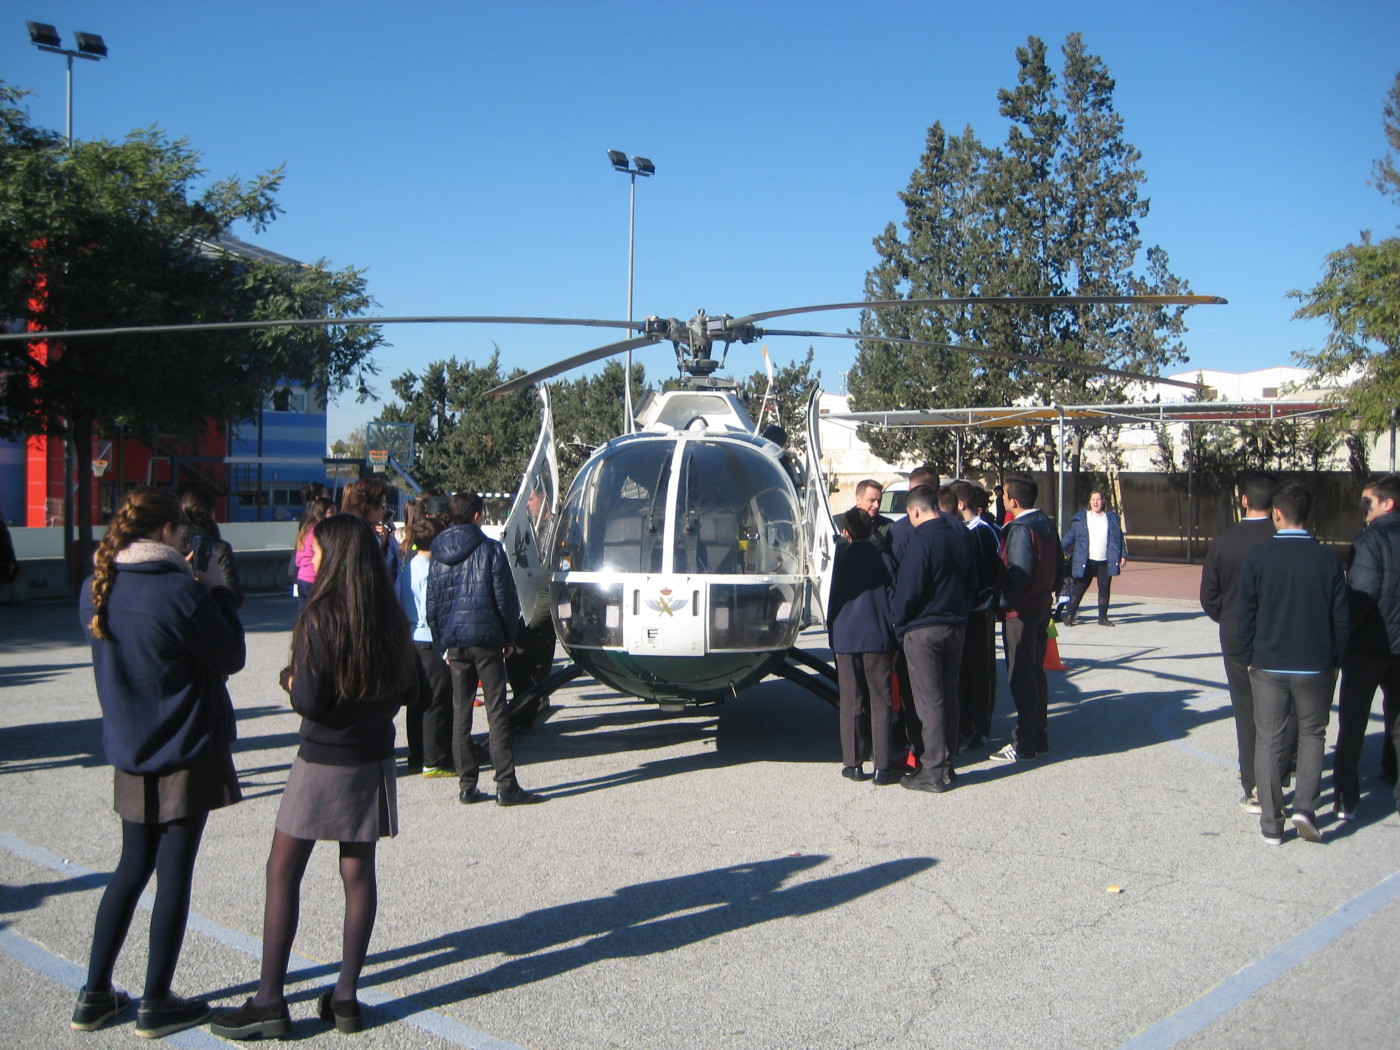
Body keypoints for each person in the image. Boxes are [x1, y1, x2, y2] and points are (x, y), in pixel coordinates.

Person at [211, 514, 421, 1039]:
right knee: (358, 874)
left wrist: (288, 678)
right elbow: (412, 690)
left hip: (323, 758)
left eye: (317, 549)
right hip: (372, 757)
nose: (313, 556)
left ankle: (269, 1000)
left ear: (335, 555)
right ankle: (346, 997)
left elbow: (308, 699)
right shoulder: (390, 616)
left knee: (283, 870)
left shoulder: (319, 616)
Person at [72, 487, 245, 1038]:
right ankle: (156, 998)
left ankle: (94, 992)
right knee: (173, 872)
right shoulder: (180, 593)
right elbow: (231, 655)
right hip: (185, 746)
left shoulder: (95, 589)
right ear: (169, 532)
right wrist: (214, 593)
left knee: (130, 867)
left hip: (130, 744)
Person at [1237, 479, 1348, 845]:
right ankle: (1305, 806)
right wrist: (1337, 660)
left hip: (1268, 662)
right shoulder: (1328, 559)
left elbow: (1246, 613)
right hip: (1315, 663)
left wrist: (1248, 655)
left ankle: (1271, 821)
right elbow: (1341, 618)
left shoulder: (1258, 557)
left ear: (1277, 514)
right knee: (1313, 734)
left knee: (1269, 739)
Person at [428, 492, 543, 806]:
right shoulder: (490, 549)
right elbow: (504, 597)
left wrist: (442, 642)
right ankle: (506, 784)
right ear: (477, 516)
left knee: (460, 712)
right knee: (496, 711)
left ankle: (467, 784)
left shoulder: (437, 552)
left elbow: (434, 603)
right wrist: (509, 636)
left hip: (455, 640)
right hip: (486, 637)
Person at [1200, 472, 1290, 813]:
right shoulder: (1284, 537)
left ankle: (1253, 784)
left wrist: (1227, 617)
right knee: (1283, 706)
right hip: (1280, 634)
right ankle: (1282, 771)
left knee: (1246, 709)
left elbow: (1209, 596)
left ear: (1243, 500)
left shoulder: (1224, 540)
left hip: (1237, 635)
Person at [891, 485, 972, 792]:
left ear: (914, 510)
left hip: (924, 629)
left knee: (929, 702)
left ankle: (932, 770)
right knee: (949, 697)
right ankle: (947, 764)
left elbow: (908, 590)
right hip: (955, 624)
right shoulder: (959, 534)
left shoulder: (921, 539)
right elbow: (971, 581)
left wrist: (899, 623)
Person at [1333, 472, 1400, 820]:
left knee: (1353, 722)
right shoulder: (1372, 537)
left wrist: (1342, 638)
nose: (1363, 508)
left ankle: (1346, 795)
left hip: (1369, 645)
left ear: (1387, 503)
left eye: (1367, 502)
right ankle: (1392, 774)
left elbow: (1359, 596)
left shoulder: (1370, 540)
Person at [992, 474, 1065, 764]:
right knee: (1035, 674)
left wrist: (1000, 603)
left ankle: (1024, 742)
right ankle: (1039, 735)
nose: (1002, 499)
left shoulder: (1021, 529)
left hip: (1020, 612)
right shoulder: (1046, 524)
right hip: (1040, 607)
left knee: (1022, 677)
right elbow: (1059, 566)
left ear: (1013, 500)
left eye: (1004, 495)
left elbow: (1018, 573)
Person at [827, 507, 900, 785]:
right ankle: (882, 765)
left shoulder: (839, 560)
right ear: (872, 531)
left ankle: (853, 763)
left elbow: (832, 599)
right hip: (878, 634)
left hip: (846, 635)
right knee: (881, 701)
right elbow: (895, 596)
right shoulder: (883, 558)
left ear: (846, 532)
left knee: (850, 701)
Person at [397, 515, 455, 777]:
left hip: (411, 638)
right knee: (436, 700)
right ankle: (435, 758)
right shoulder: (433, 570)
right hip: (429, 638)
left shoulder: (409, 566)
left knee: (417, 701)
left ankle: (417, 754)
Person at [950, 480, 1001, 751]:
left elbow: (991, 572)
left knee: (980, 670)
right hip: (961, 613)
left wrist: (981, 598)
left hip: (979, 613)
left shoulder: (983, 531)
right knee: (961, 673)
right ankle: (964, 723)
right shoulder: (959, 529)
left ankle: (981, 726)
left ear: (961, 504)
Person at [1059, 490, 1127, 626]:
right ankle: (1069, 615)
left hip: (1105, 560)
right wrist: (1056, 549)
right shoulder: (1081, 518)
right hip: (1086, 560)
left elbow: (1119, 537)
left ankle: (1102, 618)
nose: (1096, 502)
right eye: (1093, 499)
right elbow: (1069, 537)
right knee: (1079, 588)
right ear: (1089, 502)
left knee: (1104, 587)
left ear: (1103, 501)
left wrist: (1123, 555)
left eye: (1099, 499)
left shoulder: (1111, 518)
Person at [176, 486, 243, 609]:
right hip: (211, 618)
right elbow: (234, 598)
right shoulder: (220, 548)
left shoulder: (170, 548)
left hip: (178, 619)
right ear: (210, 513)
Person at [341, 478, 401, 580]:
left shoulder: (363, 527)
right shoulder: (356, 532)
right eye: (382, 505)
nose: (384, 509)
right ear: (367, 506)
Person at [292, 497, 335, 612]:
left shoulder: (306, 529)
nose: (335, 516)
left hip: (301, 576)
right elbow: (321, 555)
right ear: (322, 513)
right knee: (317, 614)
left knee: (303, 614)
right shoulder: (320, 531)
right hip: (313, 577)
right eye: (331, 513)